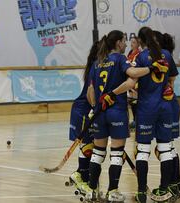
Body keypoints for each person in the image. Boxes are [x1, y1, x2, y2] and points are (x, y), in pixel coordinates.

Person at [85, 30, 164, 202]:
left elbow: (90, 91)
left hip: (99, 112)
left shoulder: (97, 63)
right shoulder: (120, 59)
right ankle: (112, 191)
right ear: (118, 43)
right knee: (116, 153)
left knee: (98, 153)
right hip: (117, 112)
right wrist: (151, 68)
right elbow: (133, 75)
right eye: (124, 41)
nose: (126, 44)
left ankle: (91, 191)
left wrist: (94, 107)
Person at [133, 27, 176, 203]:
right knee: (166, 150)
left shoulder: (141, 57)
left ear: (141, 41)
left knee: (143, 151)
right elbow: (172, 80)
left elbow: (133, 79)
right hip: (165, 107)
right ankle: (164, 189)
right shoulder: (167, 54)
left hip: (146, 108)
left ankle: (142, 192)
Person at [154, 31, 180, 200]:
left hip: (168, 105)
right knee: (168, 148)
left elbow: (172, 80)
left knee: (166, 148)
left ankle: (172, 185)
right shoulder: (159, 56)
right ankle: (177, 183)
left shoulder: (164, 56)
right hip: (167, 105)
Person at [67, 41, 99, 196]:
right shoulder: (96, 66)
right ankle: (81, 177)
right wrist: (94, 108)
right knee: (87, 146)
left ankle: (83, 177)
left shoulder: (95, 65)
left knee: (90, 146)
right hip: (83, 111)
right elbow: (90, 92)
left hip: (83, 109)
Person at [127, 37, 141, 131]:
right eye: (131, 42)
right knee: (132, 101)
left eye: (134, 42)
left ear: (138, 44)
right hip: (129, 79)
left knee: (136, 101)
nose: (132, 44)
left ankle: (137, 121)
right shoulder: (130, 53)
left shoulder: (138, 54)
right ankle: (134, 120)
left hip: (136, 81)